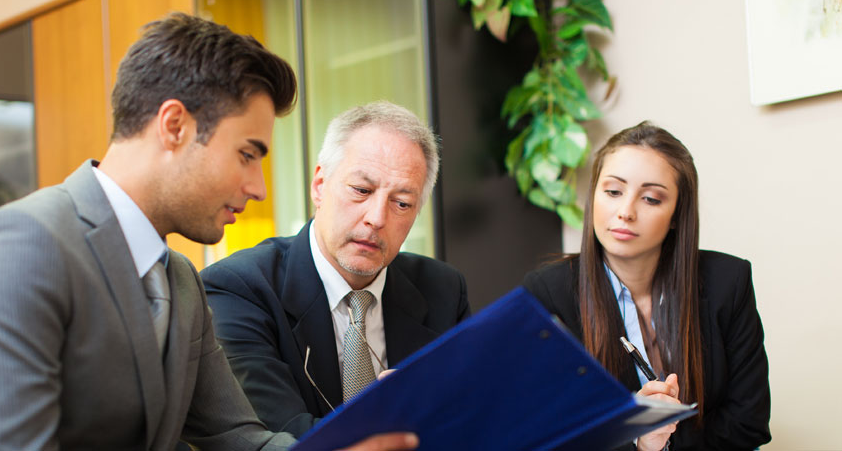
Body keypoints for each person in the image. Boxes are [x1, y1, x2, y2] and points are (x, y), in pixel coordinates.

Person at [0, 13, 418, 451]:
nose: (258, 188)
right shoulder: (19, 246)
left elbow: (237, 436)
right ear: (174, 126)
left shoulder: (179, 279)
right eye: (248, 155)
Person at [200, 101, 470, 437]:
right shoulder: (238, 289)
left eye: (401, 203)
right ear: (320, 185)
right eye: (361, 190)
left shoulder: (443, 288)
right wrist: (390, 417)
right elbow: (281, 436)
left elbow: (470, 419)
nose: (377, 218)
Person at [522, 122, 770, 451]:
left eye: (651, 199)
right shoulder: (548, 292)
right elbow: (548, 433)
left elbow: (749, 423)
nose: (625, 212)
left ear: (677, 216)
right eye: (612, 192)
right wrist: (637, 438)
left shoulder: (728, 281)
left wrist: (664, 442)